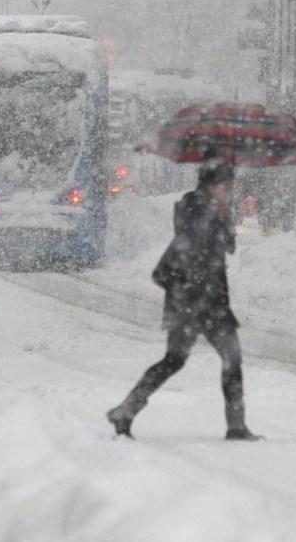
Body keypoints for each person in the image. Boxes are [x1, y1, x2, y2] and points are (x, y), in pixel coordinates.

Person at [107, 160, 260, 441]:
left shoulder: (207, 209)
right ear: (213, 184)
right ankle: (127, 410)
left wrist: (225, 220)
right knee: (204, 359)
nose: (231, 190)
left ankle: (127, 410)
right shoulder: (199, 208)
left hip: (200, 299)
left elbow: (225, 246)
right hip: (197, 299)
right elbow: (198, 247)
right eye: (227, 184)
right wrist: (219, 220)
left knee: (196, 360)